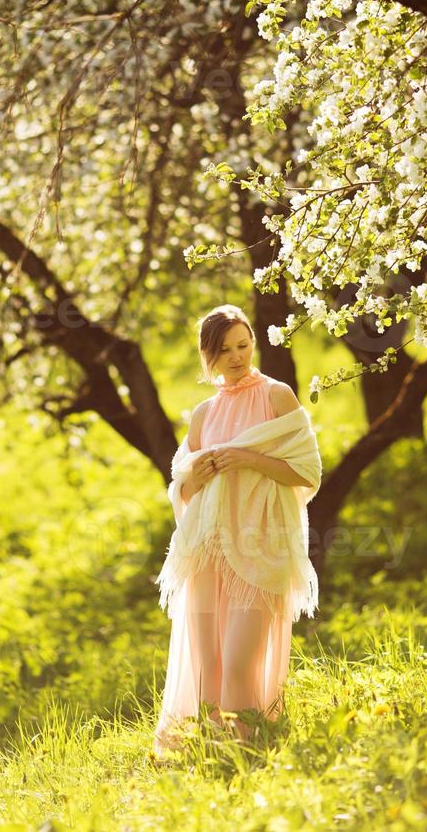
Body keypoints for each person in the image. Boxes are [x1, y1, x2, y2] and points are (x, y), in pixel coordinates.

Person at [151, 304, 322, 758]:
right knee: (210, 664)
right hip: (207, 550)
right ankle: (210, 754)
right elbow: (182, 488)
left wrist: (247, 459)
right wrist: (197, 476)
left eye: (243, 346)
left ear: (253, 344)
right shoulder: (204, 414)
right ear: (208, 356)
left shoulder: (277, 396)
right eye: (224, 350)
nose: (236, 357)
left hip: (261, 547)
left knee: (240, 662)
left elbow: (307, 472)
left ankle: (245, 754)